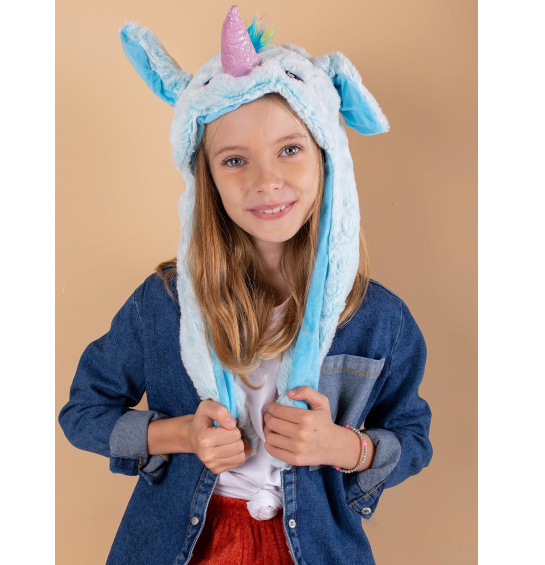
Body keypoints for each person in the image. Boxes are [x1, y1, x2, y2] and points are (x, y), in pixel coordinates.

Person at [59, 6, 433, 565]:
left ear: (327, 157)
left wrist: (341, 446)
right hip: (185, 546)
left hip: (312, 549)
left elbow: (412, 438)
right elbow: (83, 413)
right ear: (206, 179)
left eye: (290, 149)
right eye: (235, 159)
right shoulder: (165, 304)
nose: (266, 181)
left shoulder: (378, 319)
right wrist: (182, 435)